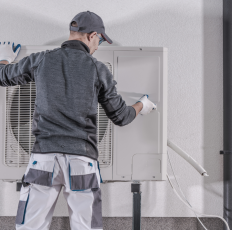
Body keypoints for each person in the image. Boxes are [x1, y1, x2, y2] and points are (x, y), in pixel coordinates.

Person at [0, 10, 156, 230]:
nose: (98, 46)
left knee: (29, 227)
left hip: (43, 159)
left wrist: (4, 57)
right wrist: (142, 105)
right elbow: (121, 116)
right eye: (100, 40)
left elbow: (2, 76)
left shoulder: (41, 59)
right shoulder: (98, 69)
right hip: (81, 162)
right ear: (92, 35)